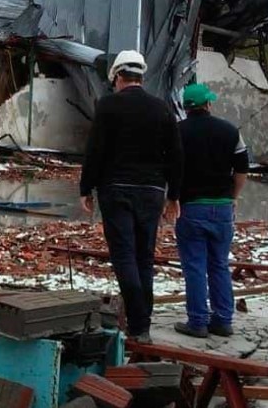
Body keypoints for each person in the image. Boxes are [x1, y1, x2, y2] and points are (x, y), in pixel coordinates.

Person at [79, 50, 183, 344]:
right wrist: (173, 195)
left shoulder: (108, 106)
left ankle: (138, 324)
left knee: (124, 255)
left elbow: (95, 149)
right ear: (141, 77)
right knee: (144, 257)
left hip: (116, 189)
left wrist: (86, 188)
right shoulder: (161, 108)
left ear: (117, 77)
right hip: (152, 192)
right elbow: (176, 154)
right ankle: (142, 323)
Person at [173, 83, 249, 339]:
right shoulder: (230, 131)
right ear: (207, 104)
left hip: (191, 208)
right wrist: (233, 197)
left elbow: (169, 170)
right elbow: (242, 169)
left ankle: (197, 322)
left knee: (195, 266)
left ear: (186, 107)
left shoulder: (178, 132)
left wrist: (170, 200)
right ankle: (223, 320)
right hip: (222, 208)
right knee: (219, 265)